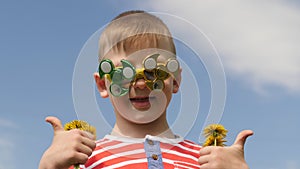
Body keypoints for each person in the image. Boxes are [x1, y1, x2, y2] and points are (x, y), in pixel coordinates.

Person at [39, 10, 253, 169]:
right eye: (124, 73)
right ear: (103, 84)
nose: (141, 84)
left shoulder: (205, 160)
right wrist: (50, 166)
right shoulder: (84, 159)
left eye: (153, 72)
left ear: (175, 80)